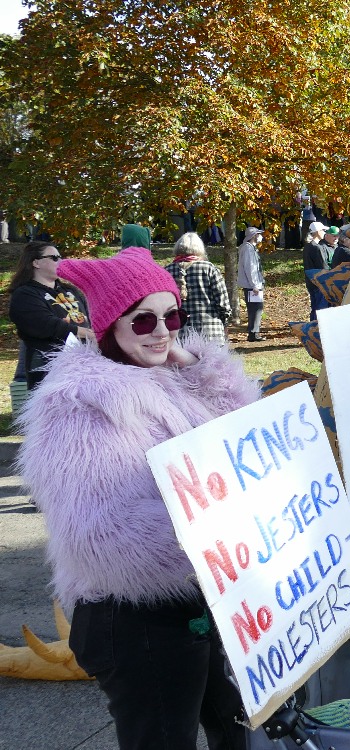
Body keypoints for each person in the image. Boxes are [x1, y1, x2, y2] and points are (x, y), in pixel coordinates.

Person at [16, 246, 258, 749]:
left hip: (195, 597)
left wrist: (196, 366)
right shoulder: (81, 406)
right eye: (143, 321)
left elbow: (247, 434)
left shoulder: (168, 376)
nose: (164, 330)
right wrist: (222, 533)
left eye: (172, 315)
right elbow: (102, 534)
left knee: (236, 726)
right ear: (109, 326)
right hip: (132, 617)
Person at [8, 241, 95, 390]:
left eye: (60, 257)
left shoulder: (71, 290)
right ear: (36, 262)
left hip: (85, 362)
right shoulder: (25, 294)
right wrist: (84, 332)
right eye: (54, 258)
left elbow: (91, 316)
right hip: (47, 365)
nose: (60, 261)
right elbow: (44, 324)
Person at [164, 232, 231, 346]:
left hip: (180, 335)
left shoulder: (166, 271)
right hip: (210, 332)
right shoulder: (209, 269)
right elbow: (223, 304)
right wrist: (225, 322)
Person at [237, 225, 266, 341]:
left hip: (252, 284)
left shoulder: (249, 248)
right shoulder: (248, 249)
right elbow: (251, 268)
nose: (260, 237)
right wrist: (255, 285)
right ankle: (253, 333)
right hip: (252, 286)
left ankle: (254, 332)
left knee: (255, 308)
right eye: (258, 234)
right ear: (254, 236)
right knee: (256, 309)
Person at [302, 221, 333, 320]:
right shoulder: (316, 248)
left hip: (310, 281)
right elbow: (323, 266)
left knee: (315, 306)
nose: (324, 232)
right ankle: (317, 328)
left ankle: (313, 326)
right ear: (317, 232)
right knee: (320, 307)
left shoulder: (308, 246)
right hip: (319, 282)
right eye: (323, 230)